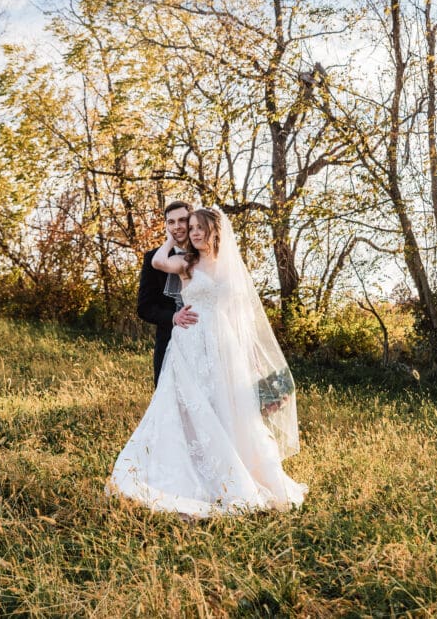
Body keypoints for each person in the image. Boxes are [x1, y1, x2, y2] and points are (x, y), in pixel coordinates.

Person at [108, 208, 306, 517]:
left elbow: (242, 318)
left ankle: (234, 473)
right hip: (189, 343)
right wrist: (169, 238)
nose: (194, 232)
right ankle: (185, 472)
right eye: (192, 227)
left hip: (224, 344)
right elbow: (158, 262)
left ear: (215, 231)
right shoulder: (187, 262)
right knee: (186, 407)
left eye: (200, 227)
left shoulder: (230, 267)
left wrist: (252, 360)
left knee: (225, 406)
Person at [137, 201, 199, 386]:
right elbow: (144, 307)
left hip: (206, 340)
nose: (177, 226)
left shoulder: (207, 255)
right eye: (170, 222)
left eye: (182, 220)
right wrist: (174, 317)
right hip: (170, 342)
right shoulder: (153, 258)